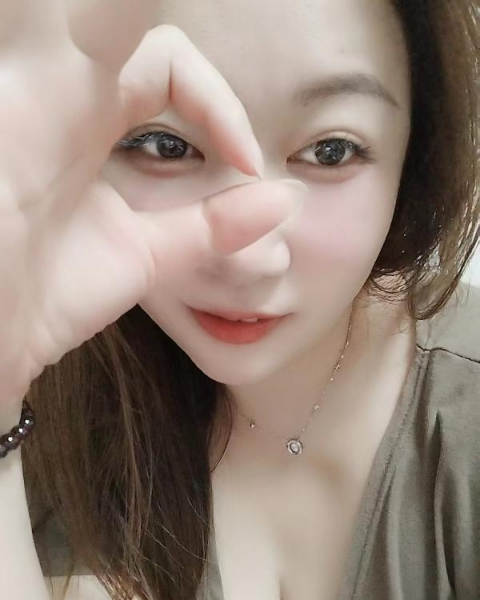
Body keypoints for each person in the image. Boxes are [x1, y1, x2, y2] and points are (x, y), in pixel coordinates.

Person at [0, 0, 478, 599]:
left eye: (330, 151)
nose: (247, 260)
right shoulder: (70, 382)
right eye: (165, 145)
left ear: (415, 156)